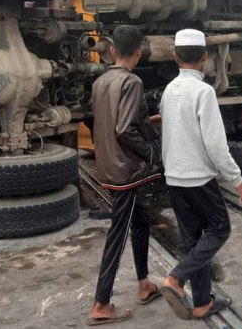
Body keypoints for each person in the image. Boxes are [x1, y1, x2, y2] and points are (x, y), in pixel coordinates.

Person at [159, 29, 242, 321]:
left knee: (194, 240)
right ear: (204, 58)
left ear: (175, 57)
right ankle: (176, 277)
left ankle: (201, 302)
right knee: (219, 229)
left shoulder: (168, 91)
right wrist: (236, 179)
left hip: (174, 178)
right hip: (199, 178)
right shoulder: (203, 92)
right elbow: (215, 144)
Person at [88, 25, 163, 325]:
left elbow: (115, 122)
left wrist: (147, 122)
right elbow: (125, 129)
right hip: (126, 170)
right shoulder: (132, 82)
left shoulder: (101, 81)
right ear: (140, 52)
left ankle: (144, 284)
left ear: (113, 50)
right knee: (118, 234)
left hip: (108, 164)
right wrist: (151, 152)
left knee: (140, 220)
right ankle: (101, 304)